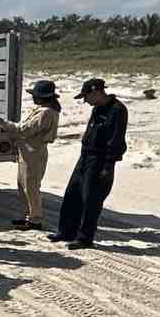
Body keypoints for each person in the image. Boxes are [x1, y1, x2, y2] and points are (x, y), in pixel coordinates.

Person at [50, 78, 128, 249]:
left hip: (100, 160)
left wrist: (108, 166)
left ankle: (85, 238)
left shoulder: (118, 110)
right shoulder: (97, 108)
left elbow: (116, 140)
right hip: (85, 156)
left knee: (91, 200)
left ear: (96, 92)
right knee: (72, 194)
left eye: (86, 97)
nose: (85, 101)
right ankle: (66, 232)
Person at [0, 81, 61, 231]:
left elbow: (24, 130)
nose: (33, 98)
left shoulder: (46, 112)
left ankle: (35, 219)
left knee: (31, 187)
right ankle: (29, 216)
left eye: (35, 96)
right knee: (24, 185)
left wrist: (5, 124)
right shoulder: (45, 110)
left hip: (33, 151)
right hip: (30, 150)